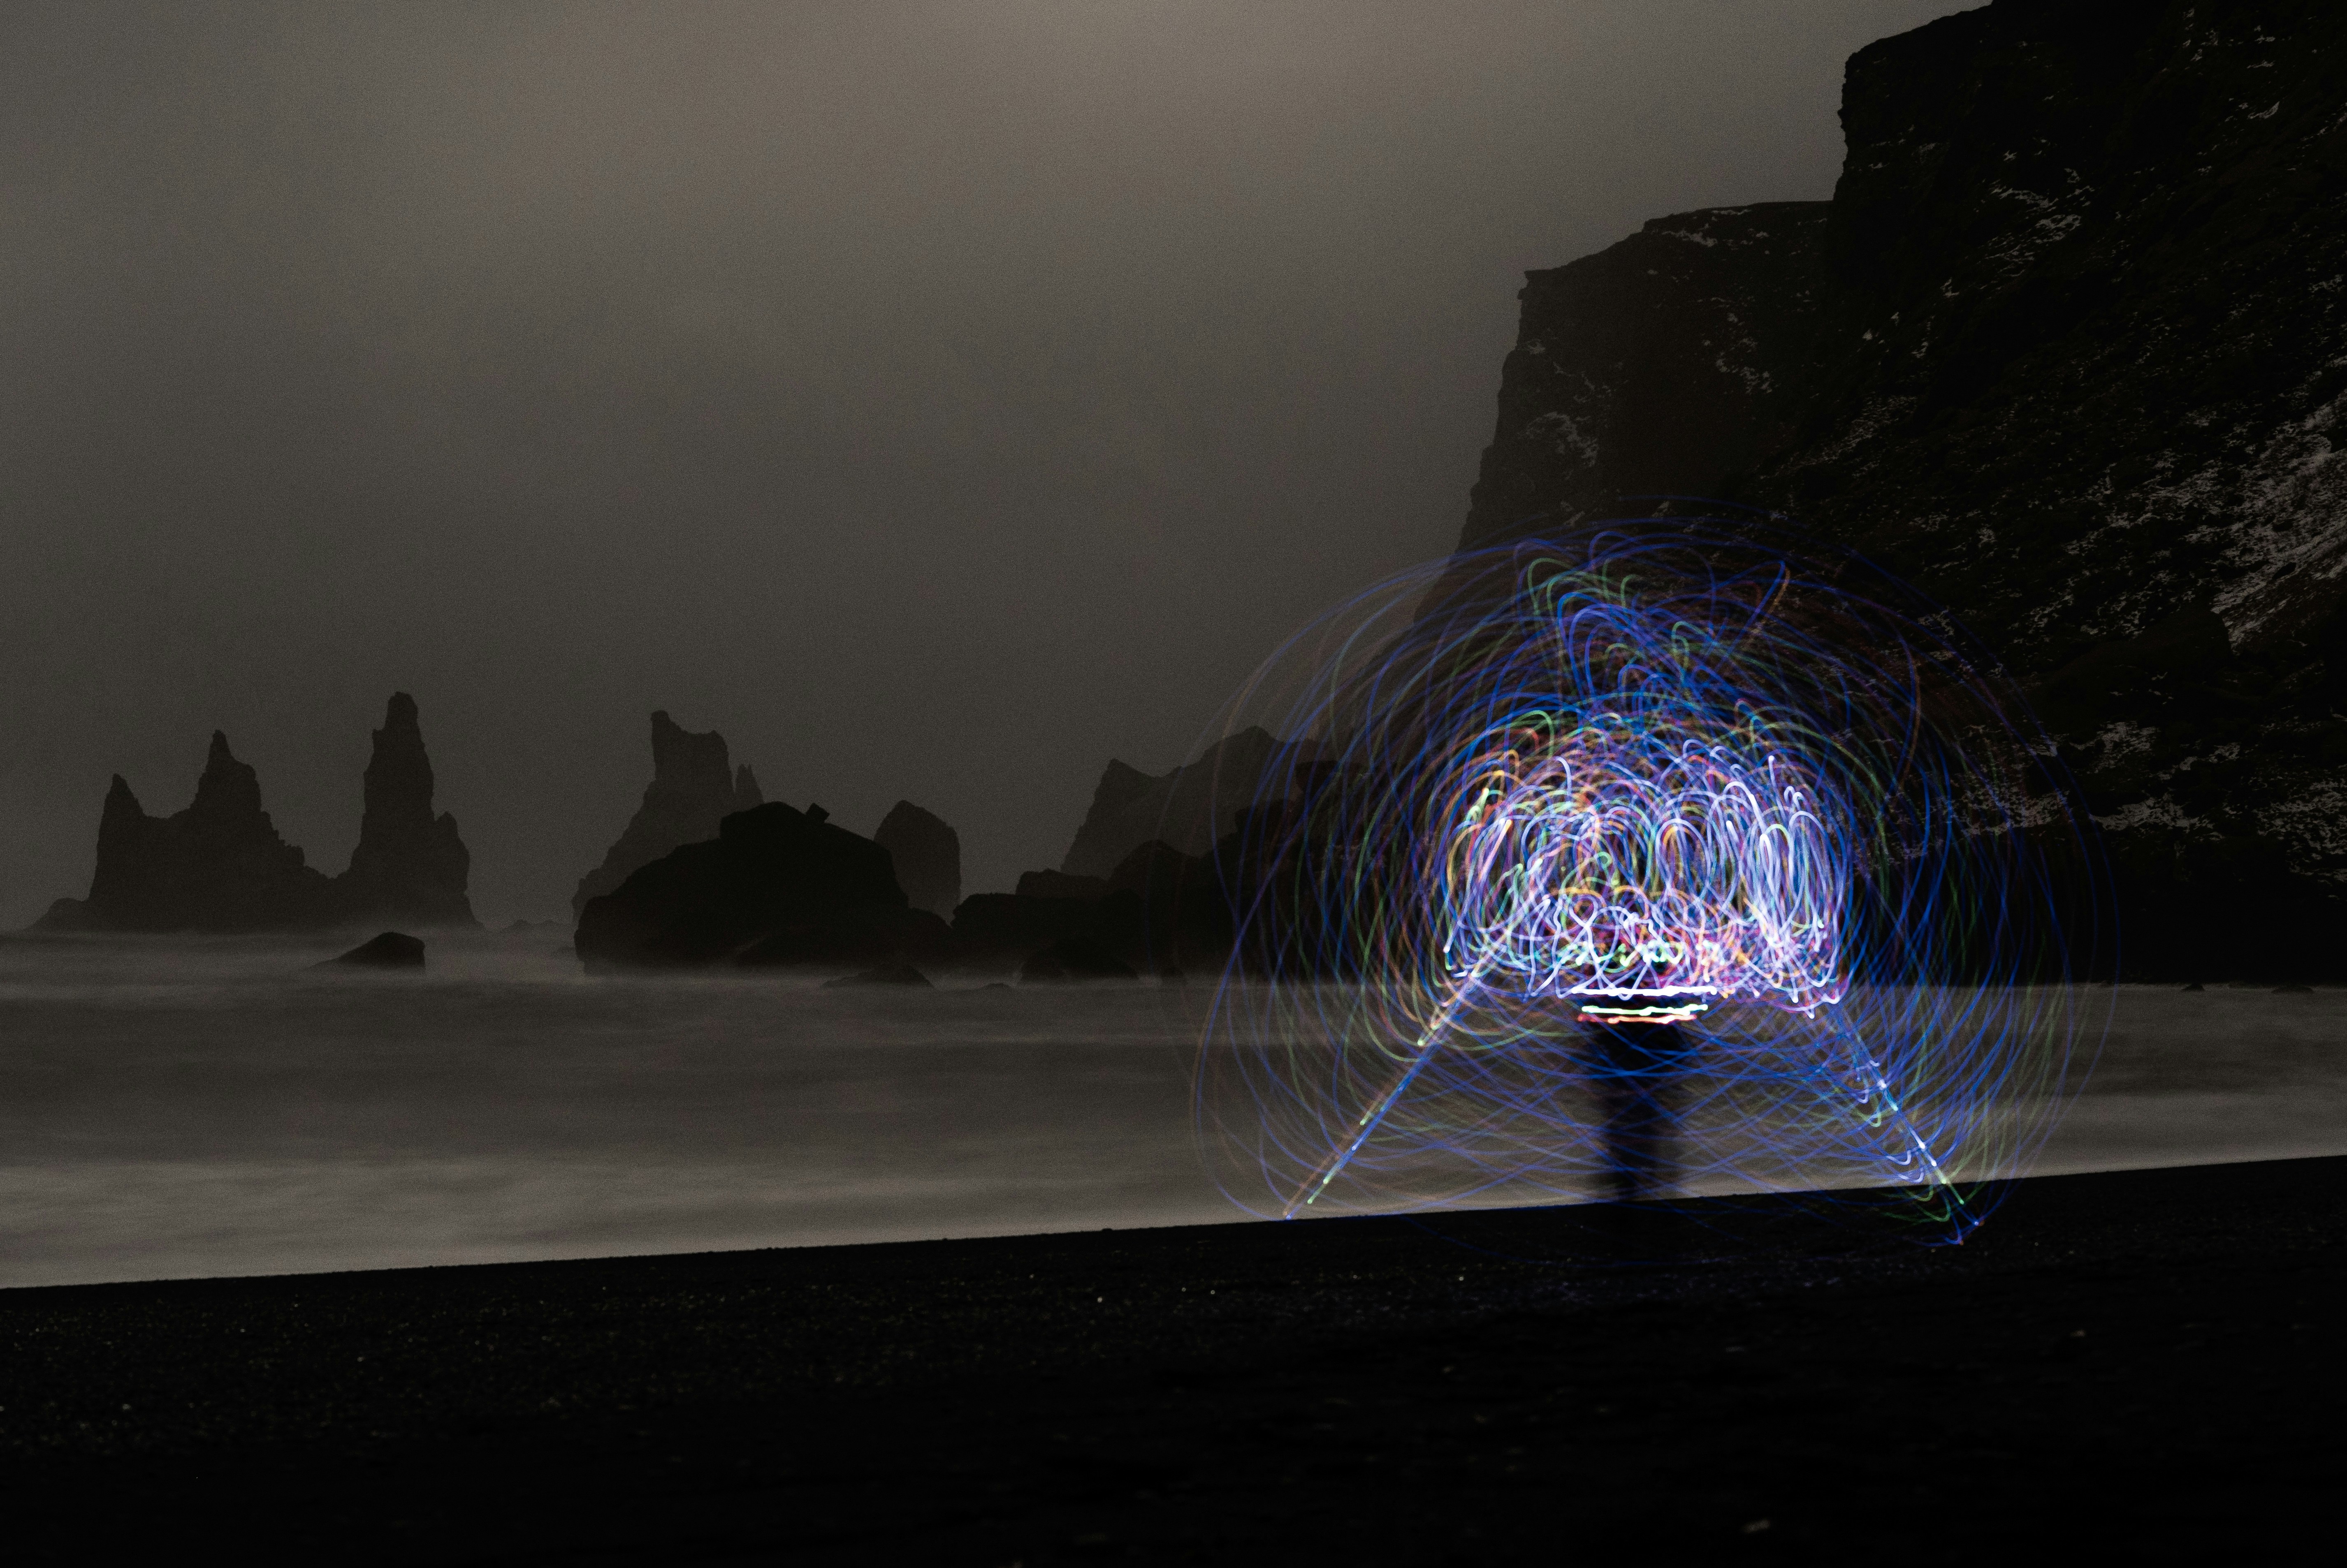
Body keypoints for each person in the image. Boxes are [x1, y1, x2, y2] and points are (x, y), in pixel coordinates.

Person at [1580, 1010, 1693, 1204]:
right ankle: (1635, 1190)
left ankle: (1630, 1190)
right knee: (1637, 1142)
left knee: (1633, 1142)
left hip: (1630, 1095)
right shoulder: (1657, 1026)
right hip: (1636, 1096)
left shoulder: (1618, 1029)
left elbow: (1593, 1054)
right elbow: (1682, 1053)